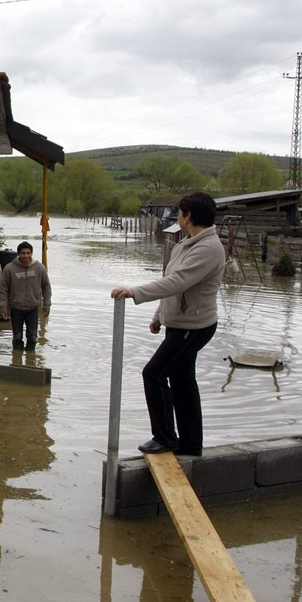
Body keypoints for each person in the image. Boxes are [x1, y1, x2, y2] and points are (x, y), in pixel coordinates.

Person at [110, 192, 225, 456]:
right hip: (181, 323)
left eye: (180, 212)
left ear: (189, 216)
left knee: (154, 373)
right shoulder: (187, 243)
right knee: (183, 381)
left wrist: (135, 292)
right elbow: (172, 280)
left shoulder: (209, 249)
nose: (177, 217)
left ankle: (164, 437)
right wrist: (159, 316)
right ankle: (191, 444)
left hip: (193, 327)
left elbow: (177, 282)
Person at [0, 241, 51, 350]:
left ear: (31, 253)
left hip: (33, 308)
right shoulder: (9, 269)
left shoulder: (39, 268)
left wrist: (47, 305)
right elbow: (3, 289)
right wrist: (3, 307)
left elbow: (46, 286)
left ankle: (30, 360)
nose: (26, 255)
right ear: (18, 254)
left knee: (32, 337)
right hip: (16, 308)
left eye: (28, 253)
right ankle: (17, 360)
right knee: (17, 337)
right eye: (23, 253)